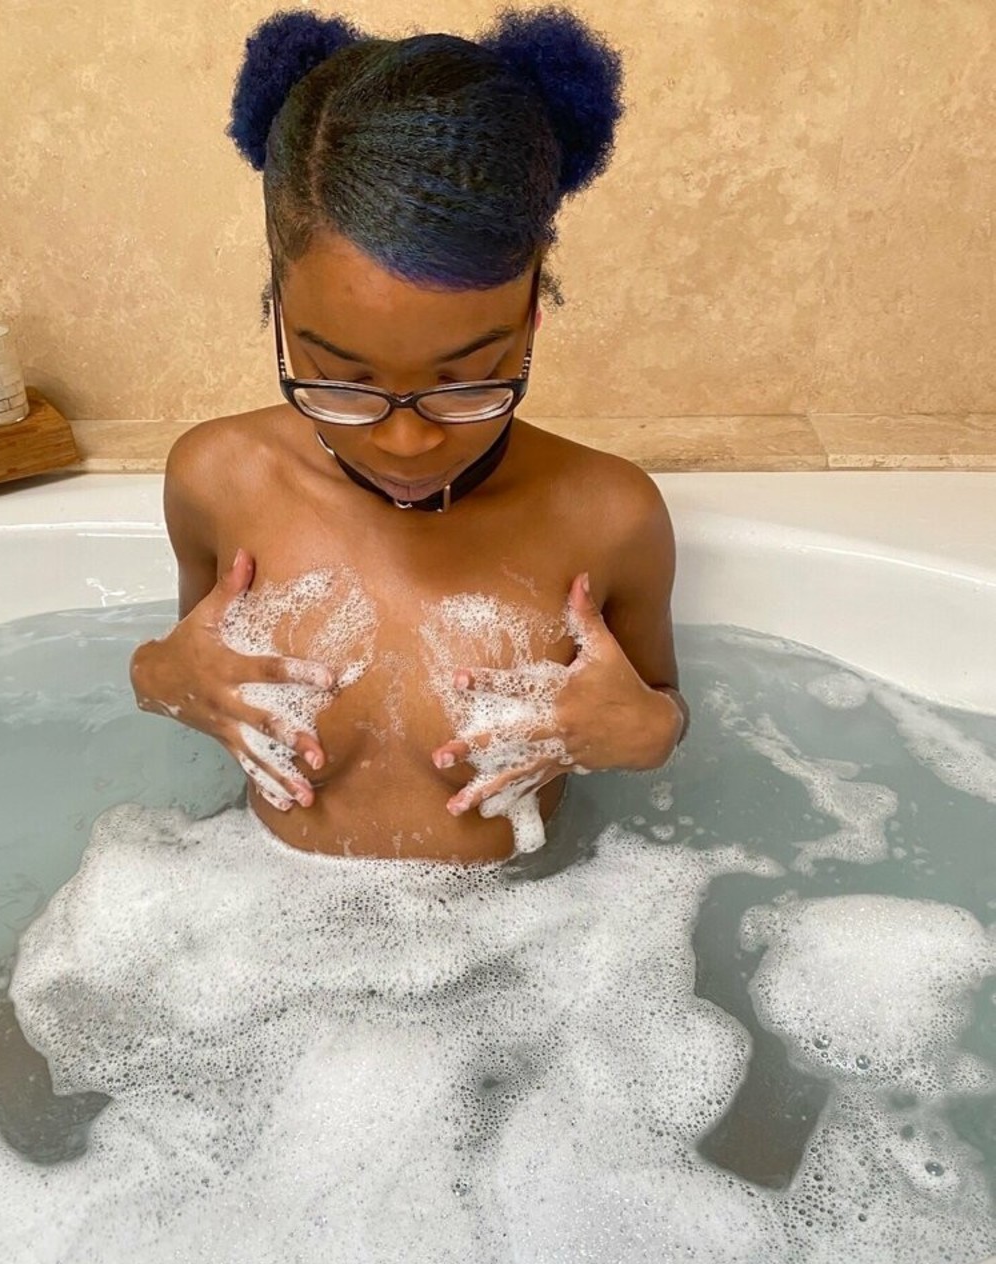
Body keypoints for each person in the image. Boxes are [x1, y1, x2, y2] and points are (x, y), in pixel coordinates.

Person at [129, 5, 689, 863]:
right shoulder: (219, 481)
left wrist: (646, 729)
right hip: (252, 905)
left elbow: (659, 712)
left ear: (531, 311)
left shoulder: (611, 516)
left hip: (537, 927)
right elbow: (190, 670)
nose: (404, 442)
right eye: (344, 382)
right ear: (279, 310)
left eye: (464, 382)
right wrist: (155, 677)